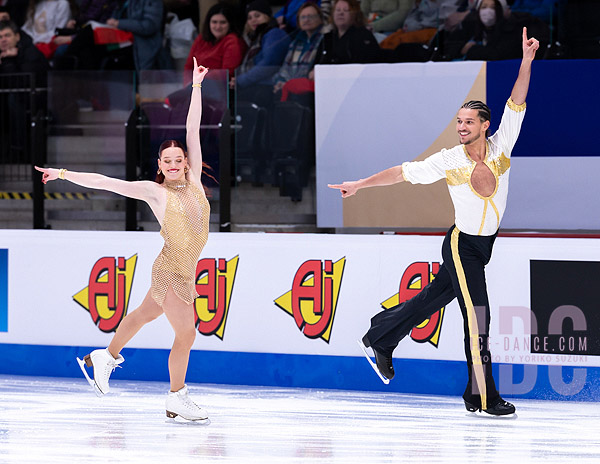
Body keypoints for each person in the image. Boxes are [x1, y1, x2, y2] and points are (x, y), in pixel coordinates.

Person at [329, 28, 539, 416]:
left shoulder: (503, 144)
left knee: (431, 299)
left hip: (485, 244)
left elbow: (516, 100)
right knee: (478, 319)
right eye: (458, 122)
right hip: (463, 246)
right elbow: (401, 173)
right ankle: (483, 397)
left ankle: (381, 336)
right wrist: (360, 184)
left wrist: (526, 61)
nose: (461, 128)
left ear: (484, 125)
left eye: (468, 122)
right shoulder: (449, 159)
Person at [35, 58, 212, 423]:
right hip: (172, 270)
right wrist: (63, 173)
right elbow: (106, 182)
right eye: (169, 160)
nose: (176, 164)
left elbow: (193, 126)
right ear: (160, 165)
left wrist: (196, 86)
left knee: (143, 315)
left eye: (180, 159)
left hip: (182, 267)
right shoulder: (155, 192)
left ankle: (105, 355)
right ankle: (177, 396)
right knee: (186, 334)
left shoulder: (194, 182)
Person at [232, 0, 290, 107]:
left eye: (257, 16)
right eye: (249, 18)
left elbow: (269, 64)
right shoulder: (256, 38)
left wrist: (240, 81)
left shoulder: (274, 33)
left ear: (267, 16)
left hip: (266, 89)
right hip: (254, 86)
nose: (253, 20)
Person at [183, 2, 246, 87]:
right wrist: (188, 83)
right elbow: (189, 66)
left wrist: (199, 81)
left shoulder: (232, 40)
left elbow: (228, 72)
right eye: (214, 22)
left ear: (230, 24)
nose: (218, 26)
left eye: (223, 22)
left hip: (219, 88)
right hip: (197, 86)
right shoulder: (201, 39)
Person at [272, 2, 324, 101]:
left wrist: (289, 83)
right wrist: (280, 83)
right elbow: (285, 69)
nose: (306, 20)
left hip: (310, 92)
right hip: (290, 89)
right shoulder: (295, 42)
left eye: (311, 16)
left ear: (320, 19)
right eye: (303, 17)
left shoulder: (324, 40)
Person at [314, 0, 380, 65]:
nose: (341, 13)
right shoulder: (327, 38)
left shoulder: (364, 36)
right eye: (338, 10)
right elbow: (317, 64)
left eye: (346, 10)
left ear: (355, 14)